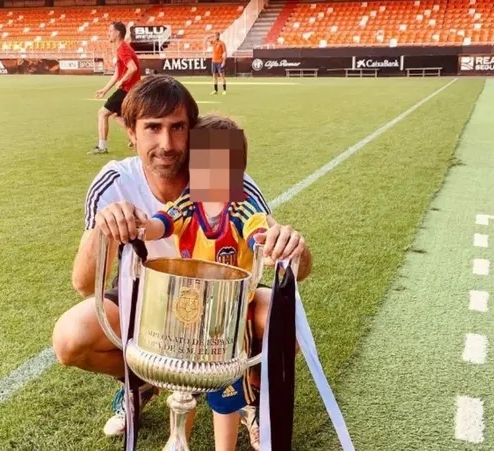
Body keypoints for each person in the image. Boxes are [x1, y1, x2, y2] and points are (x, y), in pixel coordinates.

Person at [51, 74, 312, 450]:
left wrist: (292, 248)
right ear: (131, 132)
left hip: (221, 300)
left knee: (286, 319)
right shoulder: (114, 182)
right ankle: (144, 381)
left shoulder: (223, 174)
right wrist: (105, 229)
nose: (167, 144)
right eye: (152, 128)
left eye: (177, 128)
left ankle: (251, 394)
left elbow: (296, 265)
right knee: (69, 338)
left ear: (193, 131)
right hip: (148, 295)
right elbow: (83, 284)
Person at [141, 117, 265, 451]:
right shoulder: (187, 204)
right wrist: (139, 227)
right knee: (182, 382)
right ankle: (177, 441)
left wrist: (265, 242)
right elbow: (161, 223)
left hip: (228, 319)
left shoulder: (241, 207)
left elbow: (256, 231)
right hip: (188, 314)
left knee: (225, 392)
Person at [90, 21, 141, 154]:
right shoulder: (121, 49)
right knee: (116, 116)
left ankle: (102, 147)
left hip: (127, 89)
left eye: (110, 31)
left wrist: (122, 81)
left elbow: (132, 68)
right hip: (130, 89)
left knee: (102, 113)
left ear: (117, 33)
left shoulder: (123, 49)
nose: (108, 33)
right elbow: (117, 74)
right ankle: (136, 137)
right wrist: (105, 89)